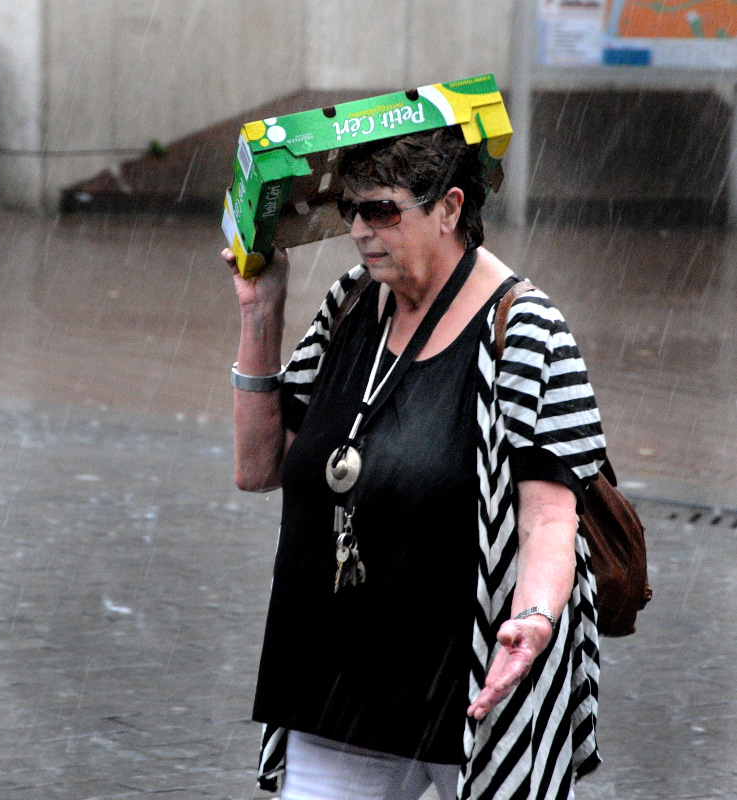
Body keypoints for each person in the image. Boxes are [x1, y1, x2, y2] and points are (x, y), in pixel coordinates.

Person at [222, 125, 606, 800]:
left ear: (450, 208)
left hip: (476, 682)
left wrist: (535, 618)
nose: (360, 231)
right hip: (340, 677)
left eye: (382, 211)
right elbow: (259, 468)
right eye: (350, 210)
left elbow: (550, 515)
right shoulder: (350, 303)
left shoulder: (524, 328)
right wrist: (261, 313)